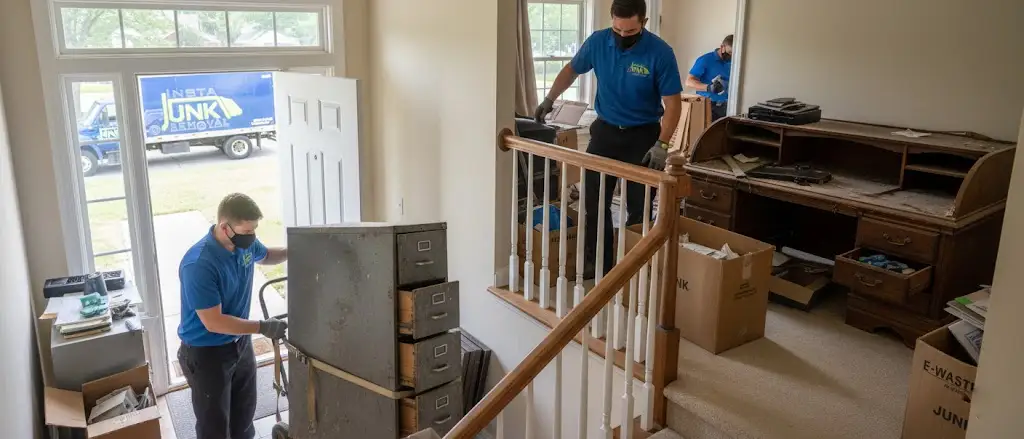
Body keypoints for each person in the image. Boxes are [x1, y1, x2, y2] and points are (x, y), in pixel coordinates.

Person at [534, 0, 683, 276]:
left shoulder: (660, 52)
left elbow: (673, 103)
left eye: (631, 31)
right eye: (618, 30)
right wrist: (549, 99)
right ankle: (597, 263)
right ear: (611, 20)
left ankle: (635, 268)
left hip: (643, 136)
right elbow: (571, 70)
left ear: (644, 23)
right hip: (606, 131)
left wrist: (662, 145)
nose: (623, 36)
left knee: (639, 206)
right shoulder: (598, 42)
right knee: (594, 201)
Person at [176, 193, 289, 439]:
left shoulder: (243, 245)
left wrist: (294, 251)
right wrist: (262, 327)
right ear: (224, 227)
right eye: (247, 231)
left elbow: (266, 255)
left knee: (244, 415)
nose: (252, 236)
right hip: (207, 353)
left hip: (240, 343)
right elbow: (213, 322)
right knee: (215, 426)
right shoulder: (199, 264)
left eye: (254, 229)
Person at [686, 34, 733, 121]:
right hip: (708, 106)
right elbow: (689, 81)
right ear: (722, 47)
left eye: (733, 53)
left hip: (727, 106)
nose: (731, 56)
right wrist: (709, 87)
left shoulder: (732, 62)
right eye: (730, 52)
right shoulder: (705, 60)